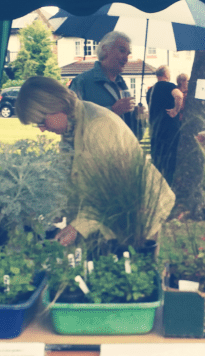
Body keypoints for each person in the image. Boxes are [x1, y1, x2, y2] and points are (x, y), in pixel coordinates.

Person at [14, 75, 175, 247]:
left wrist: (77, 227)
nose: (42, 129)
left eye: (42, 122)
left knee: (130, 262)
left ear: (56, 106)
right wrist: (55, 209)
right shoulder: (72, 125)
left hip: (139, 215)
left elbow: (112, 190)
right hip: (115, 215)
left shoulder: (99, 126)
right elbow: (74, 177)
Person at [68, 31, 146, 138]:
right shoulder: (82, 82)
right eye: (122, 51)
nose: (126, 58)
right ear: (105, 49)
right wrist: (112, 111)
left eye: (128, 54)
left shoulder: (122, 84)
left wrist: (138, 119)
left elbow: (134, 135)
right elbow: (70, 121)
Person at [145, 65, 184, 182]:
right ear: (166, 74)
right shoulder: (169, 86)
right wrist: (176, 110)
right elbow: (179, 95)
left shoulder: (150, 91)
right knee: (171, 162)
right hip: (170, 129)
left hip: (155, 130)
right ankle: (169, 185)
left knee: (157, 162)